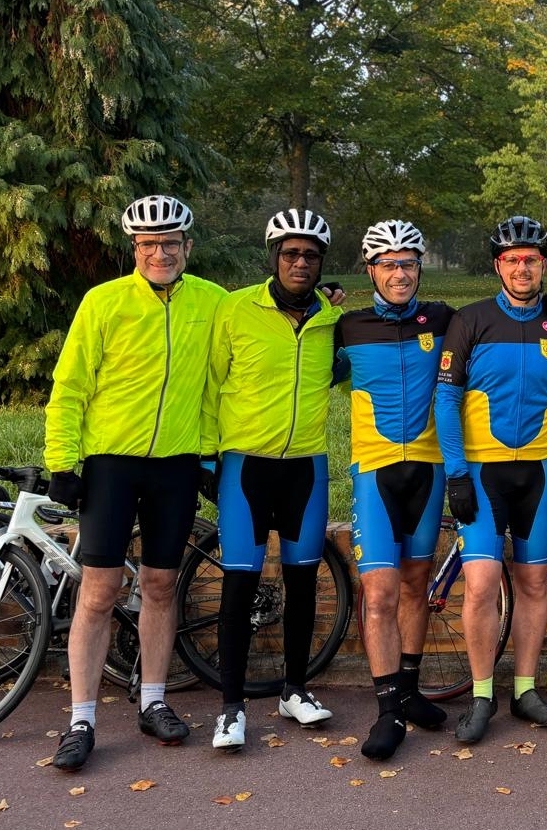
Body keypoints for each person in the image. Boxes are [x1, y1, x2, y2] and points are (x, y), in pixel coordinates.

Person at [46, 195, 228, 771]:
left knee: (159, 584)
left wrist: (325, 303)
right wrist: (63, 463)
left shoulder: (212, 301)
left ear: (187, 246)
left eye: (169, 243)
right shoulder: (104, 301)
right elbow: (70, 384)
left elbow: (225, 372)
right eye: (148, 244)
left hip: (177, 463)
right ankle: (81, 719)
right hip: (111, 464)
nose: (159, 253)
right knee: (99, 591)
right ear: (134, 248)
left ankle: (153, 701)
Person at [434, 216, 547, 744]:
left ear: (543, 265)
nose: (523, 268)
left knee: (534, 582)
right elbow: (446, 400)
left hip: (539, 474)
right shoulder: (470, 321)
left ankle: (524, 689)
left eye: (531, 259)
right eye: (512, 259)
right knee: (480, 585)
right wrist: (457, 474)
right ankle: (482, 695)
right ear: (498, 266)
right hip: (481, 474)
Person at [205, 208, 343, 750]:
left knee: (303, 582)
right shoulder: (235, 309)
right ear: (273, 257)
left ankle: (295, 690)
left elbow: (349, 368)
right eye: (290, 253)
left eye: (310, 255)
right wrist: (206, 457)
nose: (300, 262)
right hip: (246, 465)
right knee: (239, 584)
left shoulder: (332, 319)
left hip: (306, 464)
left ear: (322, 263)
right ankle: (231, 708)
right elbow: (210, 385)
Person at [333, 220, 454, 760]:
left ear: (419, 268)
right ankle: (387, 711)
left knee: (416, 584)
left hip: (429, 468)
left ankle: (408, 689)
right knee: (379, 593)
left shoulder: (444, 320)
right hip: (375, 470)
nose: (399, 273)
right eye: (388, 264)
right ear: (371, 271)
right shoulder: (348, 327)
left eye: (408, 263)